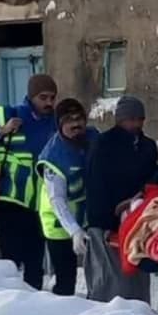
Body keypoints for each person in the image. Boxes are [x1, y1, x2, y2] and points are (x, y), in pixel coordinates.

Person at [0, 74, 58, 289]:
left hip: (40, 204)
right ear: (31, 96)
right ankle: (6, 300)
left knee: (35, 263)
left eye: (52, 97)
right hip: (10, 200)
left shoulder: (56, 121)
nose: (48, 102)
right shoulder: (9, 114)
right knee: (10, 262)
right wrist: (1, 131)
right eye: (43, 97)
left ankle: (33, 303)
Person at [83, 95, 158, 302]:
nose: (136, 124)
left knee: (137, 284)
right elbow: (96, 185)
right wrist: (106, 224)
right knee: (112, 284)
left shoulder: (147, 146)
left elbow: (151, 179)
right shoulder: (103, 145)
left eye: (140, 119)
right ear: (120, 120)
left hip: (136, 223)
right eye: (131, 119)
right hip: (107, 226)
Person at [37, 98, 99, 296]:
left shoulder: (92, 138)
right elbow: (57, 201)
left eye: (79, 119)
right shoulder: (54, 157)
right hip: (58, 224)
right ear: (59, 124)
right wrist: (74, 231)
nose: (76, 124)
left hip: (85, 217)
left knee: (96, 275)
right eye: (69, 120)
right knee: (66, 280)